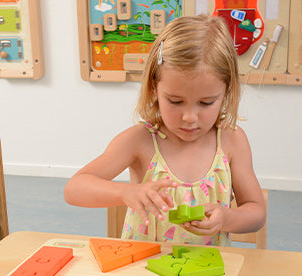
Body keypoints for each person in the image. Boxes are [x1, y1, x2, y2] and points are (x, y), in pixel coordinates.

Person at [64, 14, 266, 246]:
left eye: (206, 102)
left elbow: (256, 212)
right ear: (154, 88)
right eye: (175, 101)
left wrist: (227, 218)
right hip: (144, 266)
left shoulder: (232, 141)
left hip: (211, 268)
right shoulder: (139, 141)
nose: (189, 117)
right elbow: (74, 189)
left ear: (226, 92)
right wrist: (125, 193)